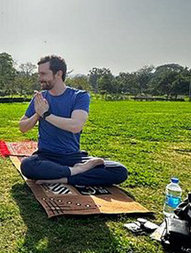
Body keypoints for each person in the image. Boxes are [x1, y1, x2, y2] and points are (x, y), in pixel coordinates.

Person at [19, 55, 128, 186]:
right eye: (39, 74)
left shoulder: (79, 96)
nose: (40, 78)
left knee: (119, 170)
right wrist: (38, 113)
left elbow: (76, 126)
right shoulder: (40, 99)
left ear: (58, 74)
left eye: (43, 74)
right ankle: (77, 172)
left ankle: (65, 177)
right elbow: (22, 127)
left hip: (73, 157)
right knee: (27, 165)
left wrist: (46, 114)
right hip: (46, 156)